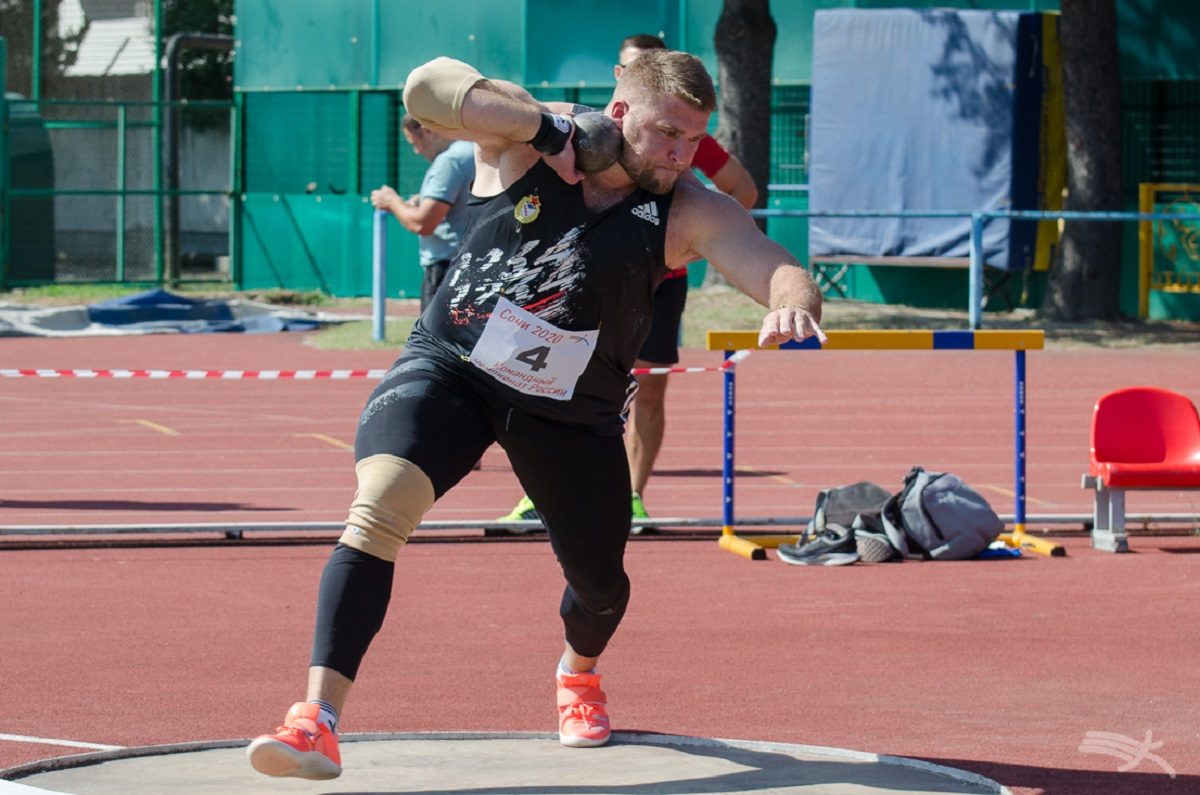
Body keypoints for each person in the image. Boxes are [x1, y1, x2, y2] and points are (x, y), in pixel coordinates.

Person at [246, 50, 825, 781]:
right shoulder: (525, 147)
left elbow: (773, 262)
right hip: (453, 368)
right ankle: (315, 721)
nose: (681, 155)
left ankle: (577, 674)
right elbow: (426, 87)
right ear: (620, 114)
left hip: (571, 414)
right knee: (381, 504)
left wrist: (791, 305)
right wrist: (546, 125)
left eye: (693, 139)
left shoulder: (687, 208)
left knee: (602, 586)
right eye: (666, 134)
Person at [499, 34, 758, 531]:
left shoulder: (681, 135)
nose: (682, 148)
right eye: (623, 67)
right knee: (542, 380)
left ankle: (633, 497)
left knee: (647, 390)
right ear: (621, 81)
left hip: (658, 282)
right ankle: (537, 494)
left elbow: (742, 190)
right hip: (581, 274)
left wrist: (691, 240)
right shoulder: (579, 128)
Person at [370, 114, 476, 311]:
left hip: (447, 270)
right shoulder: (473, 150)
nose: (416, 151)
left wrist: (392, 201)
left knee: (432, 342)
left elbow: (422, 223)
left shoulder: (450, 161)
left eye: (415, 142)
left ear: (427, 131)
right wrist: (425, 198)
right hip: (472, 264)